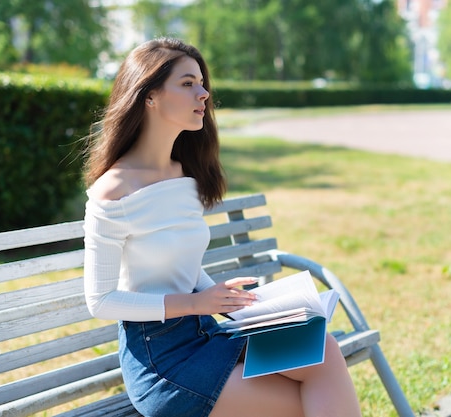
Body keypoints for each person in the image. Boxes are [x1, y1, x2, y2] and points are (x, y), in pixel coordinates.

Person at [82, 37, 362, 417]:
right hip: (162, 362)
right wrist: (196, 302)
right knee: (301, 404)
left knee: (320, 346)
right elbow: (100, 301)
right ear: (149, 95)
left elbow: (182, 265)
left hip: (207, 334)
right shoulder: (114, 191)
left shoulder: (183, 175)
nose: (204, 93)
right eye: (187, 84)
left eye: (201, 82)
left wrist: (241, 306)